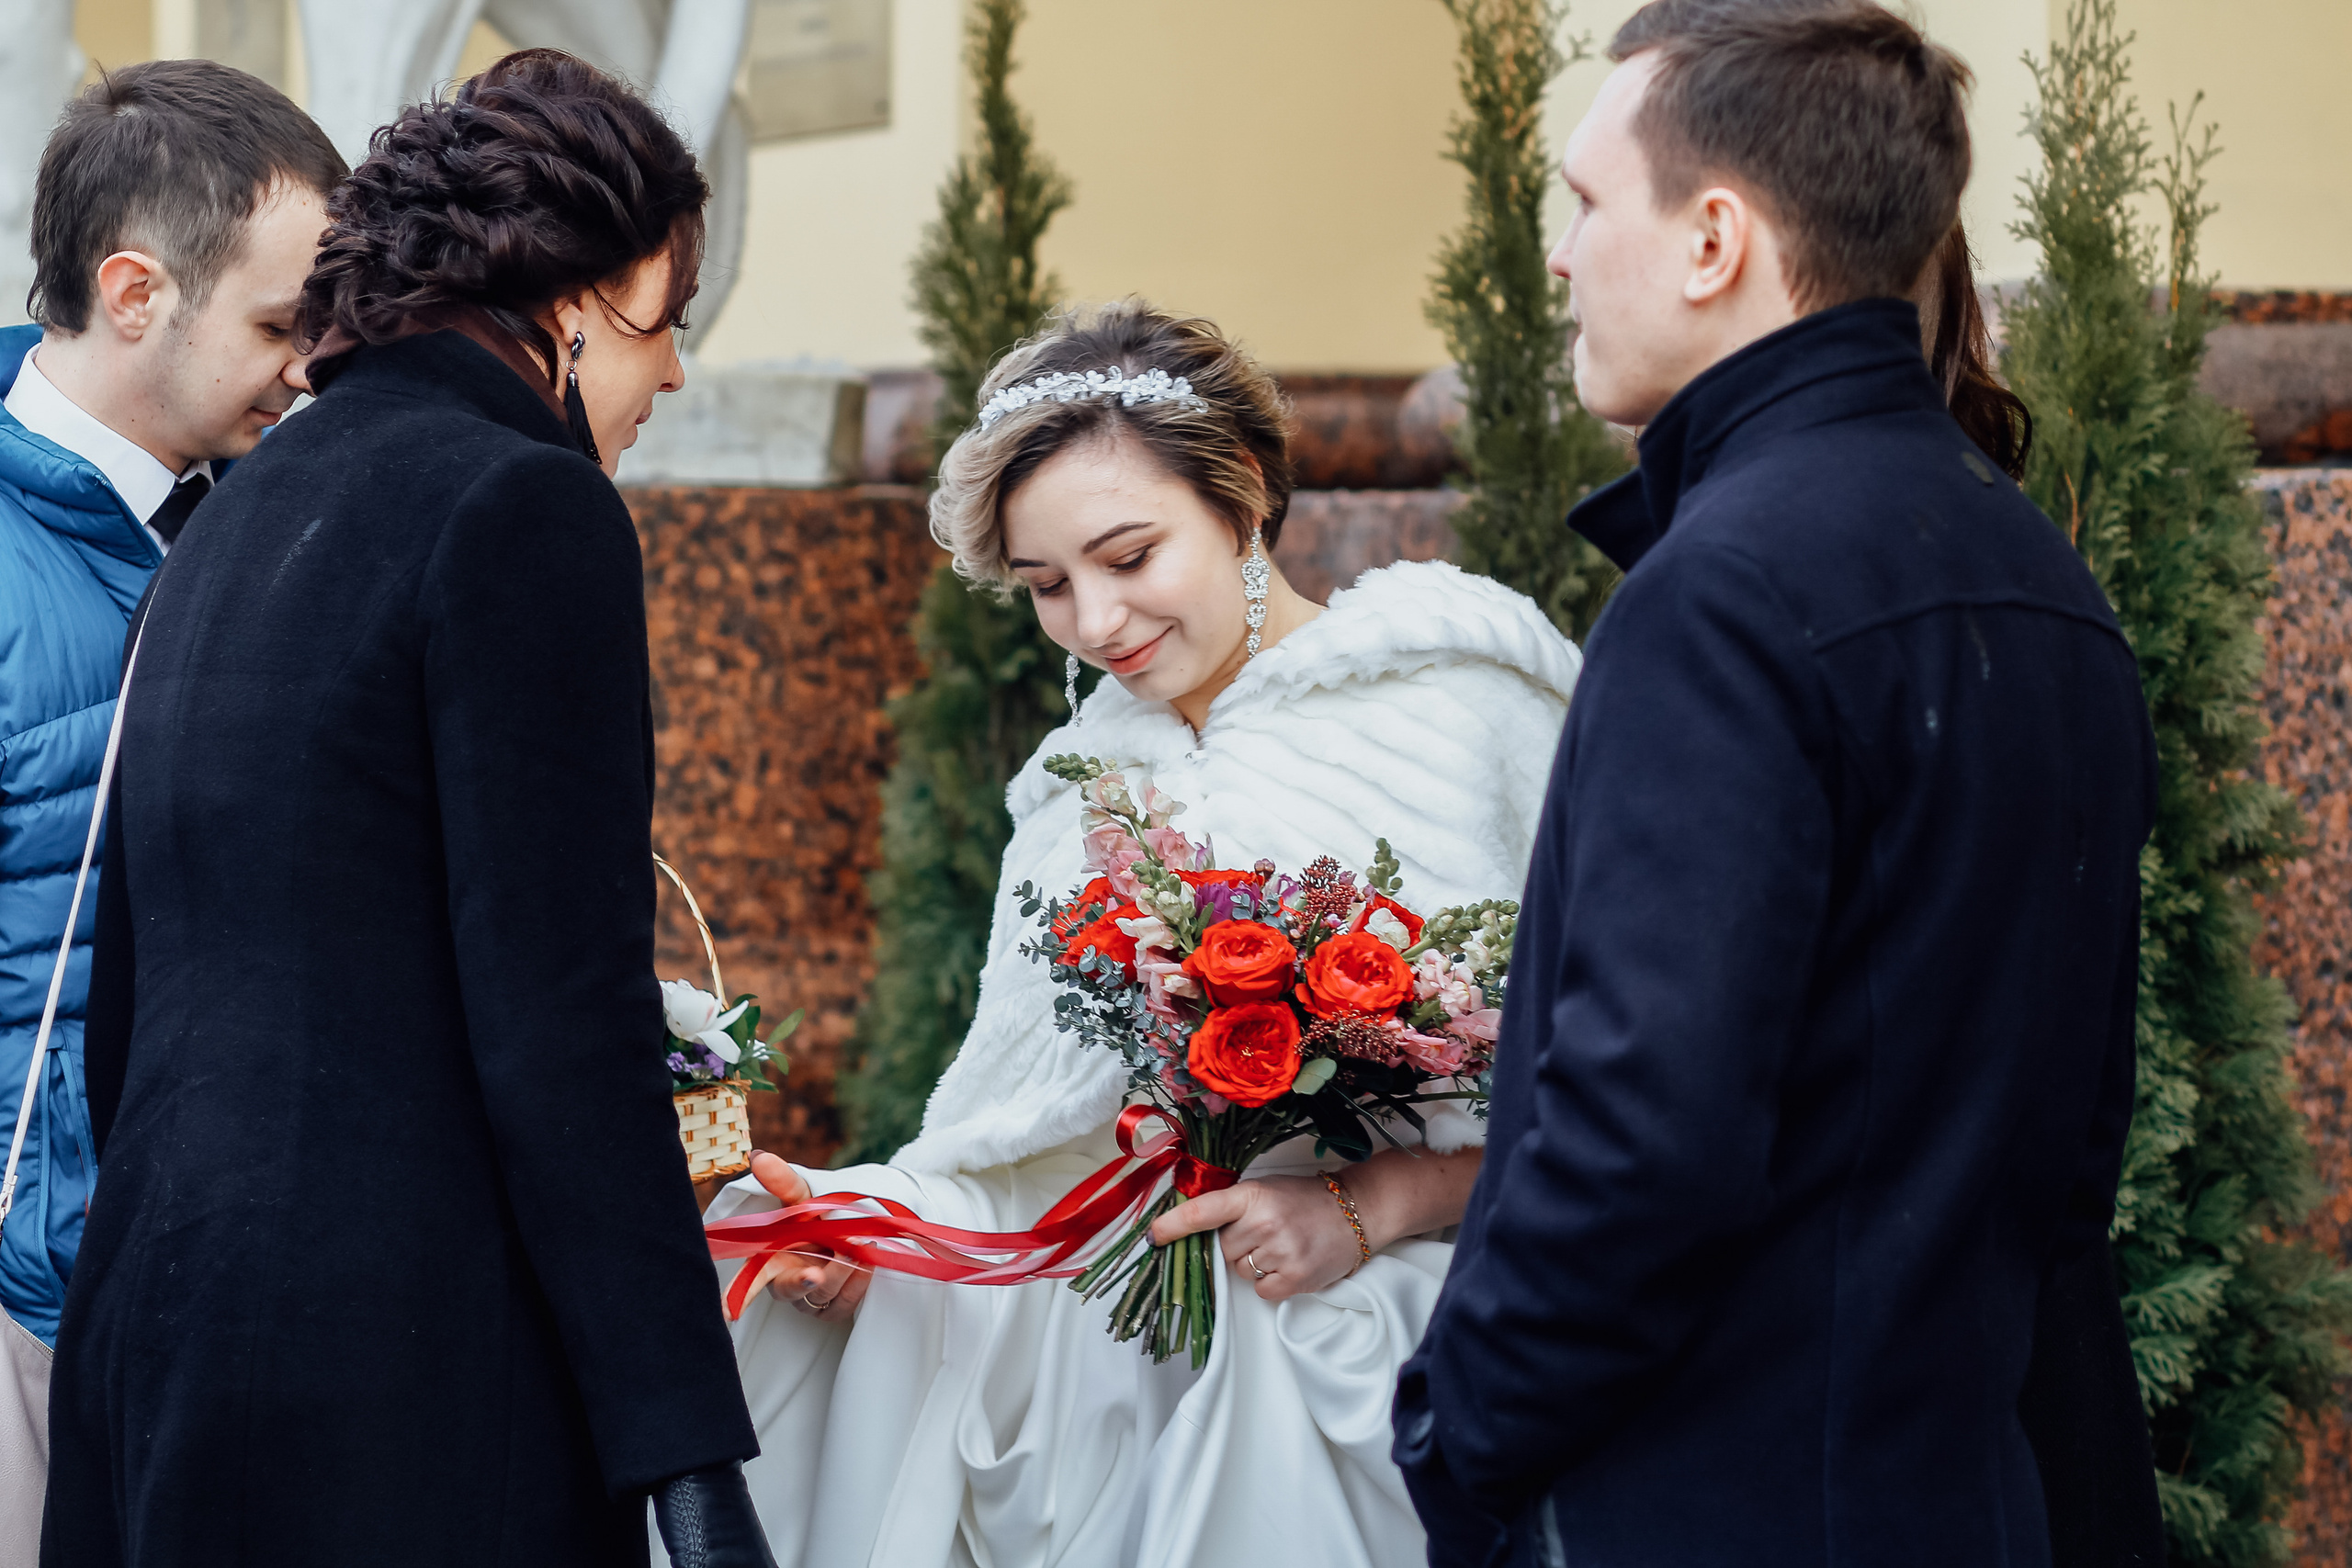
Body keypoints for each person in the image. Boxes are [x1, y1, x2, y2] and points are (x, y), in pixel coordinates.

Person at [1392, 6, 2157, 1566]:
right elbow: (2075, 1151)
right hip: (1955, 1496)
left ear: (1713, 241)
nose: (1561, 255)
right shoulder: (2032, 568)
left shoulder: (1723, 592)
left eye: (1590, 202)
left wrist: (1460, 1440)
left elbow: (1641, 1144)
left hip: (1716, 1506)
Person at [698, 299, 1582, 1568]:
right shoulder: (1072, 793)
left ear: (1244, 502)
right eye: (1047, 586)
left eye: (1128, 556)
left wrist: (1374, 1201)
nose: (1095, 622)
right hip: (1125, 1357)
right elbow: (1019, 1144)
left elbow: (1619, 1090)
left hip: (1410, 1317)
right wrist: (881, 1239)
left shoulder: (1469, 710)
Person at [44, 51, 774, 1568]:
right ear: (569, 308)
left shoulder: (233, 510)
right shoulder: (526, 507)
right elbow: (562, 1028)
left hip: (157, 1336)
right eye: (665, 323)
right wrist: (691, 1463)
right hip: (398, 1378)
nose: (677, 375)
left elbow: (130, 996)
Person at [0, 61, 343, 1357]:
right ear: (136, 292)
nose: (314, 369)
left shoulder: (257, 526)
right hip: (34, 1311)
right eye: (279, 327)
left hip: (206, 1296)